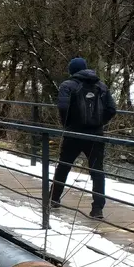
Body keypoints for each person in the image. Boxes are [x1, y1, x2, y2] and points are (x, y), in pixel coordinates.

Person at [51, 57, 117, 219]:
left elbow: (62, 106)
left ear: (72, 70)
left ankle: (53, 198)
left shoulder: (67, 86)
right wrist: (100, 123)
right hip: (96, 135)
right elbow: (112, 109)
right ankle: (97, 209)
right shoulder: (101, 86)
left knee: (64, 166)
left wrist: (67, 124)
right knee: (97, 171)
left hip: (73, 133)